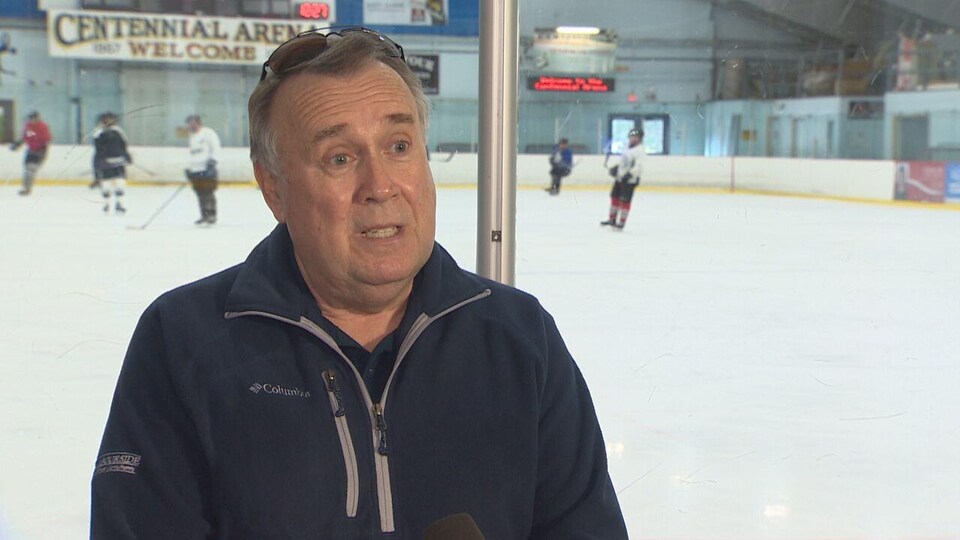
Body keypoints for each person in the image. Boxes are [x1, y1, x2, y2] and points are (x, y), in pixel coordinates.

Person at [91, 28, 627, 539]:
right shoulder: (182, 340)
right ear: (273, 189)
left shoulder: (519, 336)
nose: (380, 186)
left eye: (398, 146)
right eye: (340, 158)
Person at [601, 128, 646, 230]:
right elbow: (623, 163)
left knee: (625, 201)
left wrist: (630, 175)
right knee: (614, 197)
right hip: (620, 178)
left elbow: (639, 167)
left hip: (630, 181)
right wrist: (616, 169)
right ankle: (612, 219)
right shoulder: (627, 148)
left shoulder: (640, 151)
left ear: (640, 139)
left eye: (636, 137)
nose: (633, 139)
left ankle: (621, 222)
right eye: (632, 137)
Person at [184, 114, 222, 225]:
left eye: (191, 123)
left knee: (208, 193)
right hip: (195, 170)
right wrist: (189, 169)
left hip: (207, 169)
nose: (189, 125)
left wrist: (212, 161)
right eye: (188, 124)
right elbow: (192, 154)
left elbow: (216, 147)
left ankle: (211, 215)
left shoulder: (208, 133)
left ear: (197, 122)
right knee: (200, 194)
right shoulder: (192, 137)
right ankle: (204, 215)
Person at [93, 112, 131, 214]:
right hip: (106, 162)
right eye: (106, 119)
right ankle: (106, 204)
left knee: (120, 183)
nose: (108, 121)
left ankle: (119, 204)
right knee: (106, 184)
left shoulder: (118, 131)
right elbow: (98, 149)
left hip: (119, 161)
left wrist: (127, 156)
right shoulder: (99, 133)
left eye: (110, 119)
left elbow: (123, 146)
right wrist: (98, 162)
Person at [9, 111, 51, 196]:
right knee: (27, 169)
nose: (32, 120)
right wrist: (18, 144)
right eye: (30, 119)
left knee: (30, 169)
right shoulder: (28, 126)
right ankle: (26, 187)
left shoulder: (43, 127)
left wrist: (40, 148)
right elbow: (25, 137)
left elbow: (46, 139)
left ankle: (27, 188)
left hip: (40, 151)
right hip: (31, 150)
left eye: (33, 119)